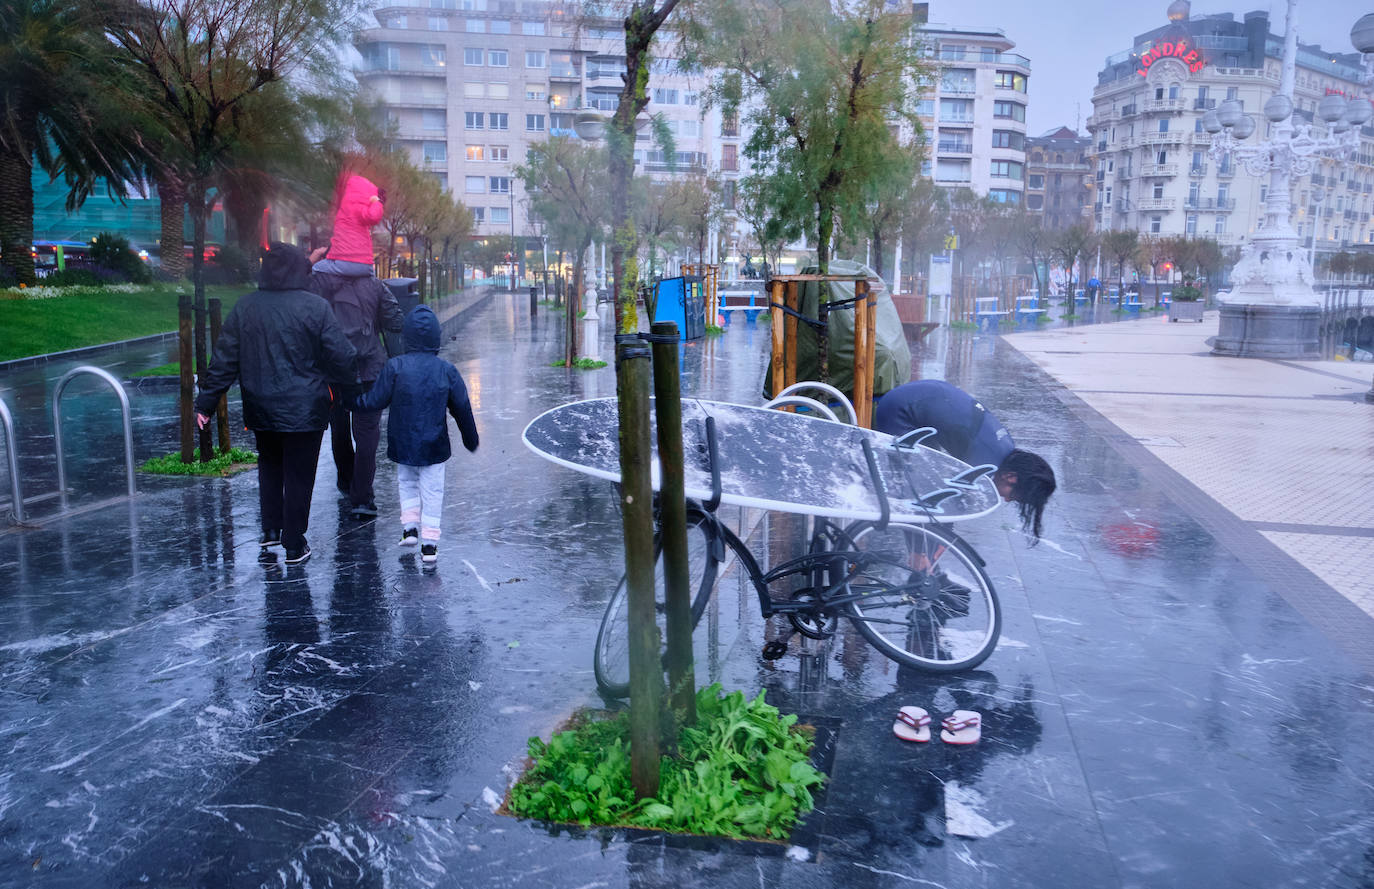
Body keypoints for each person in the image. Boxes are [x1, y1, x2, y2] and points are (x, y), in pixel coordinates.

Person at [195, 243, 359, 566]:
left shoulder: (246, 308)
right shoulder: (316, 307)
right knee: (299, 474)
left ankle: (271, 529)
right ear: (301, 268)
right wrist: (352, 395)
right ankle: (295, 544)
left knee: (270, 467)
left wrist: (206, 403)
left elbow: (224, 359)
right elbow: (342, 356)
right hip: (306, 408)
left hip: (261, 406)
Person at [347, 305, 479, 565]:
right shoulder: (446, 370)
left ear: (406, 337)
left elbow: (376, 400)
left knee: (406, 483)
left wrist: (351, 402)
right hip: (434, 445)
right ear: (435, 337)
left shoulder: (395, 366)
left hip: (402, 442)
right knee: (432, 491)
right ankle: (429, 544)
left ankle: (409, 528)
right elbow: (462, 406)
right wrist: (470, 438)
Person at [310, 172, 403, 519]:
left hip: (335, 370)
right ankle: (362, 498)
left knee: (339, 428)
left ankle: (345, 482)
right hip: (370, 369)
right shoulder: (374, 285)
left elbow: (302, 305)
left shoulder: (321, 280)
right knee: (367, 432)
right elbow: (395, 320)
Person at [873, 379, 1056, 541]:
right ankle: (916, 557)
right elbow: (946, 502)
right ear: (1011, 478)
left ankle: (920, 557)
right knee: (915, 491)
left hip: (921, 400)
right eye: (1013, 495)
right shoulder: (986, 463)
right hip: (899, 411)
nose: (1007, 499)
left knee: (925, 480)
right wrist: (928, 549)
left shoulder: (1006, 447)